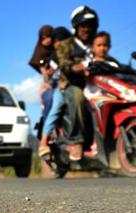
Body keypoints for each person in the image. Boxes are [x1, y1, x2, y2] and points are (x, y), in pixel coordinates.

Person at [56, 5, 99, 160]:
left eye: (90, 26)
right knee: (77, 96)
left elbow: (107, 61)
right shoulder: (66, 44)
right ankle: (76, 142)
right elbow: (63, 64)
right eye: (83, 26)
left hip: (94, 85)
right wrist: (78, 67)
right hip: (71, 85)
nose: (87, 29)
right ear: (76, 26)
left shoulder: (97, 45)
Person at [38, 26, 72, 157]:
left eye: (61, 40)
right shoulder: (53, 56)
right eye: (56, 41)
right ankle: (44, 140)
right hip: (60, 88)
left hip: (78, 86)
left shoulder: (75, 53)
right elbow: (51, 74)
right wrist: (50, 77)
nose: (58, 44)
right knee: (57, 105)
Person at [28, 25, 55, 121]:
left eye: (48, 37)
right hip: (49, 83)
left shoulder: (59, 49)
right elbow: (44, 72)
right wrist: (47, 81)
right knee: (49, 99)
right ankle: (47, 129)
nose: (46, 40)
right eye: (43, 39)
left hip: (63, 81)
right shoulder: (40, 52)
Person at [84, 31, 120, 99]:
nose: (102, 48)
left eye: (105, 45)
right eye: (99, 45)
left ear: (109, 47)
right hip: (92, 99)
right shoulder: (87, 63)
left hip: (111, 97)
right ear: (92, 47)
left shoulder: (113, 65)